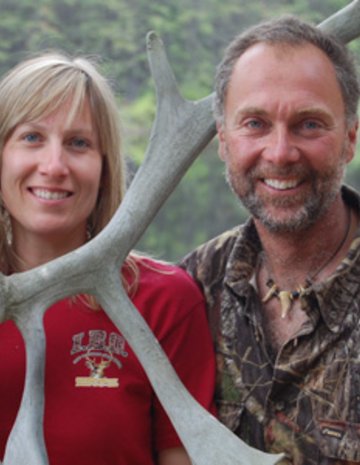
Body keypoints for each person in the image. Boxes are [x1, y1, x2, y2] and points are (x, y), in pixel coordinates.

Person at [0, 52, 216, 465]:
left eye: (79, 143)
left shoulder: (164, 301)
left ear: (104, 167)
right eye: (31, 137)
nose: (54, 165)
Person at [180, 15, 360, 465]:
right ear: (223, 140)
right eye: (255, 123)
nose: (280, 153)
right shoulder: (190, 290)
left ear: (350, 140)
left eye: (309, 124)